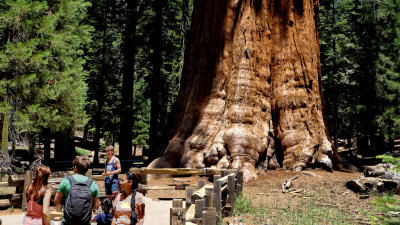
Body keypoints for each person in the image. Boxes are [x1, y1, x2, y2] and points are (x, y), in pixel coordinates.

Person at [54, 156, 100, 225]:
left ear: (75, 168)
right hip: (85, 222)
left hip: (68, 221)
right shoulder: (92, 183)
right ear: (86, 169)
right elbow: (96, 206)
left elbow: (56, 201)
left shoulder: (66, 180)